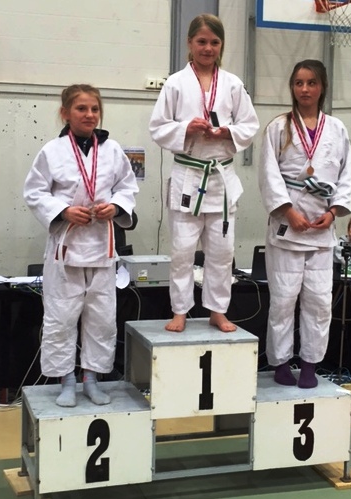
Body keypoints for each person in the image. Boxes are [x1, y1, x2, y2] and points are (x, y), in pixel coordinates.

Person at [24, 84, 139, 407]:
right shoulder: (52, 151)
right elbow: (34, 192)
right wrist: (63, 211)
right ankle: (67, 381)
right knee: (61, 317)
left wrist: (115, 207)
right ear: (65, 113)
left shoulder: (112, 150)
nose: (89, 115)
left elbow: (127, 187)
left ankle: (91, 378)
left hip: (101, 245)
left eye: (94, 109)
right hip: (66, 248)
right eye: (81, 109)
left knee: (101, 318)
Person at [149, 13, 259, 333]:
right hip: (188, 176)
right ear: (190, 43)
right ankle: (180, 311)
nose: (208, 48)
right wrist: (186, 128)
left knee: (222, 253)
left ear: (221, 45)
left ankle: (217, 311)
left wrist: (227, 132)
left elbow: (249, 125)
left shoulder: (233, 84)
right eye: (201, 41)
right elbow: (158, 127)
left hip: (221, 179)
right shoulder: (175, 83)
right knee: (182, 252)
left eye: (214, 42)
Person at [258, 59, 351, 388]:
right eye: (299, 83)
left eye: (311, 83)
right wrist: (287, 211)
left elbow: (345, 174)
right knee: (283, 300)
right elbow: (268, 174)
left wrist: (334, 211)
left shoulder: (336, 128)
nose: (305, 89)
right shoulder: (278, 127)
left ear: (322, 87)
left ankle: (310, 365)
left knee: (319, 302)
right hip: (288, 226)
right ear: (292, 87)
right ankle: (281, 363)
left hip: (321, 228)